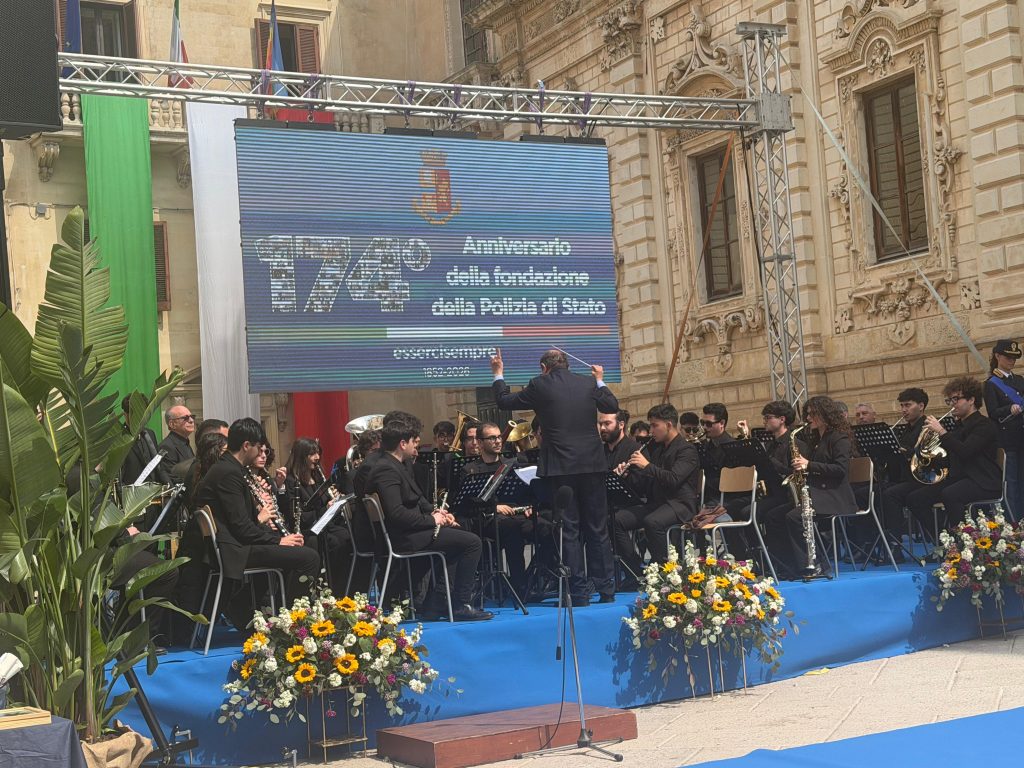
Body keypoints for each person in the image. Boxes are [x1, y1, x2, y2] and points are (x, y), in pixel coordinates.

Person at [491, 348, 619, 606]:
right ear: (567, 364)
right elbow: (611, 406)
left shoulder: (540, 384)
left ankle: (579, 593)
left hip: (562, 467)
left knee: (569, 529)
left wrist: (498, 373)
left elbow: (504, 401)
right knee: (597, 528)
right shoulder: (588, 382)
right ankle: (606, 588)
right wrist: (600, 379)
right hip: (592, 465)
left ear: (543, 368)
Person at [194, 418, 319, 629]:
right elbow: (242, 527)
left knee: (301, 548)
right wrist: (278, 540)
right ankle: (294, 624)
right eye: (258, 447)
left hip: (237, 544)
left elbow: (244, 523)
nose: (261, 452)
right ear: (246, 446)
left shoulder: (229, 468)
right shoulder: (229, 473)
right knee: (309, 558)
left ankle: (276, 613)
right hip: (235, 550)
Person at [366, 414, 492, 621]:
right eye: (413, 441)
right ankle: (460, 603)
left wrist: (438, 513)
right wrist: (432, 520)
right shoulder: (386, 470)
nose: (416, 445)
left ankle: (437, 602)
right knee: (472, 543)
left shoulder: (396, 465)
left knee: (459, 536)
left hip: (411, 531)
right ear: (402, 443)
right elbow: (396, 514)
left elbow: (416, 500)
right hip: (403, 538)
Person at [767, 396, 856, 578]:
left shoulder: (839, 438)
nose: (808, 418)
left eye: (812, 414)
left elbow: (840, 469)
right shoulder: (817, 439)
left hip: (835, 495)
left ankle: (815, 564)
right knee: (774, 516)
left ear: (824, 414)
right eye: (807, 414)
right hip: (818, 493)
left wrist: (808, 465)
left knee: (794, 517)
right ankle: (787, 566)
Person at [612, 403, 700, 580]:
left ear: (668, 424)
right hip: (659, 503)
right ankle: (635, 570)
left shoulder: (686, 449)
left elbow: (673, 479)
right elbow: (648, 482)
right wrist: (628, 475)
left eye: (654, 425)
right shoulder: (658, 449)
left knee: (652, 522)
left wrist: (646, 466)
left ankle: (666, 572)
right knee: (616, 520)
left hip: (680, 504)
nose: (651, 431)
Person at [905, 377, 1002, 532]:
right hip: (960, 478)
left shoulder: (984, 424)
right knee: (915, 498)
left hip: (983, 479)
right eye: (949, 400)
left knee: (950, 494)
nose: (952, 404)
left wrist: (941, 431)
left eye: (956, 399)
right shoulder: (958, 426)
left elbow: (965, 451)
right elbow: (948, 453)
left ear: (971, 400)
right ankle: (943, 539)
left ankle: (962, 539)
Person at [453, 422, 534, 597]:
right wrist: (494, 506)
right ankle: (519, 586)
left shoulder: (512, 464)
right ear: (480, 443)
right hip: (487, 520)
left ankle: (531, 579)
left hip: (516, 516)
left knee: (546, 527)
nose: (498, 441)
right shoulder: (470, 470)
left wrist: (530, 507)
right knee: (513, 530)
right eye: (492, 438)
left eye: (498, 437)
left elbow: (525, 493)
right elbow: (465, 505)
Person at [880, 388, 929, 548]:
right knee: (876, 491)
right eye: (902, 405)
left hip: (922, 478)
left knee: (890, 495)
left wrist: (907, 452)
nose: (903, 410)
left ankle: (895, 543)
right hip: (906, 477)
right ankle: (880, 539)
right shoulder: (906, 429)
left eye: (907, 405)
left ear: (921, 406)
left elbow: (926, 457)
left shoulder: (928, 427)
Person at [984, 339, 1023, 520]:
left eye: (1014, 358)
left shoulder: (1019, 380)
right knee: (1012, 483)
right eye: (1008, 357)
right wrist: (1009, 409)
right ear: (998, 356)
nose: (1011, 361)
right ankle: (1014, 522)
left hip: (1021, 437)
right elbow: (993, 412)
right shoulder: (991, 383)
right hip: (1008, 440)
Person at [119, 396, 172, 487]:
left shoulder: (150, 434)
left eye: (142, 414)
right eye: (135, 414)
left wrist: (170, 486)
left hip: (153, 490)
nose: (139, 419)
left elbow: (159, 466)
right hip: (131, 491)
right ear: (125, 415)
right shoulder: (119, 438)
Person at [700, 403, 735, 499]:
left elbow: (728, 481)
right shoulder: (704, 445)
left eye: (709, 424)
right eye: (702, 423)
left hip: (722, 497)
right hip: (706, 495)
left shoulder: (732, 446)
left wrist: (699, 483)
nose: (705, 427)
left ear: (722, 423)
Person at [158, 405, 196, 480]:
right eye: (185, 418)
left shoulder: (184, 441)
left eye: (192, 416)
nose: (191, 420)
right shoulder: (166, 447)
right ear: (172, 424)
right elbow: (171, 478)